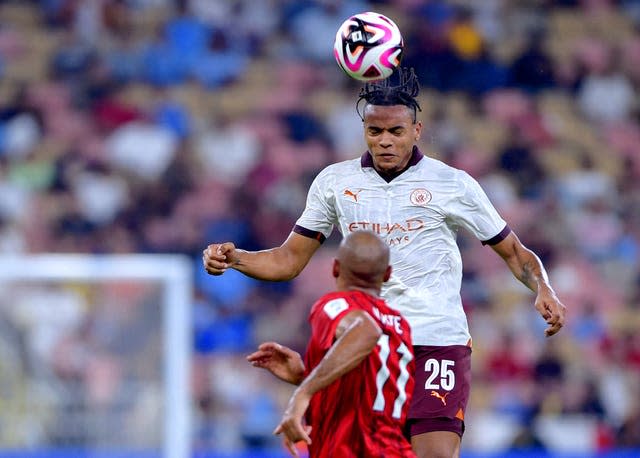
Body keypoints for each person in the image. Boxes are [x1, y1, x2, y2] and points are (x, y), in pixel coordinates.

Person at [203, 67, 566, 458]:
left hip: (435, 340)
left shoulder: (452, 183)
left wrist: (543, 286)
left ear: (416, 131)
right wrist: (235, 258)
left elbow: (514, 253)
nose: (385, 142)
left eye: (396, 132)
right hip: (369, 343)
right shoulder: (334, 182)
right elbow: (288, 260)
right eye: (375, 132)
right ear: (364, 132)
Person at [247, 230, 415, 457]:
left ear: (335, 268)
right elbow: (369, 388)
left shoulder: (334, 305)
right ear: (387, 275)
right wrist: (305, 377)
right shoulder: (400, 325)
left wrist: (303, 393)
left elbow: (366, 331)